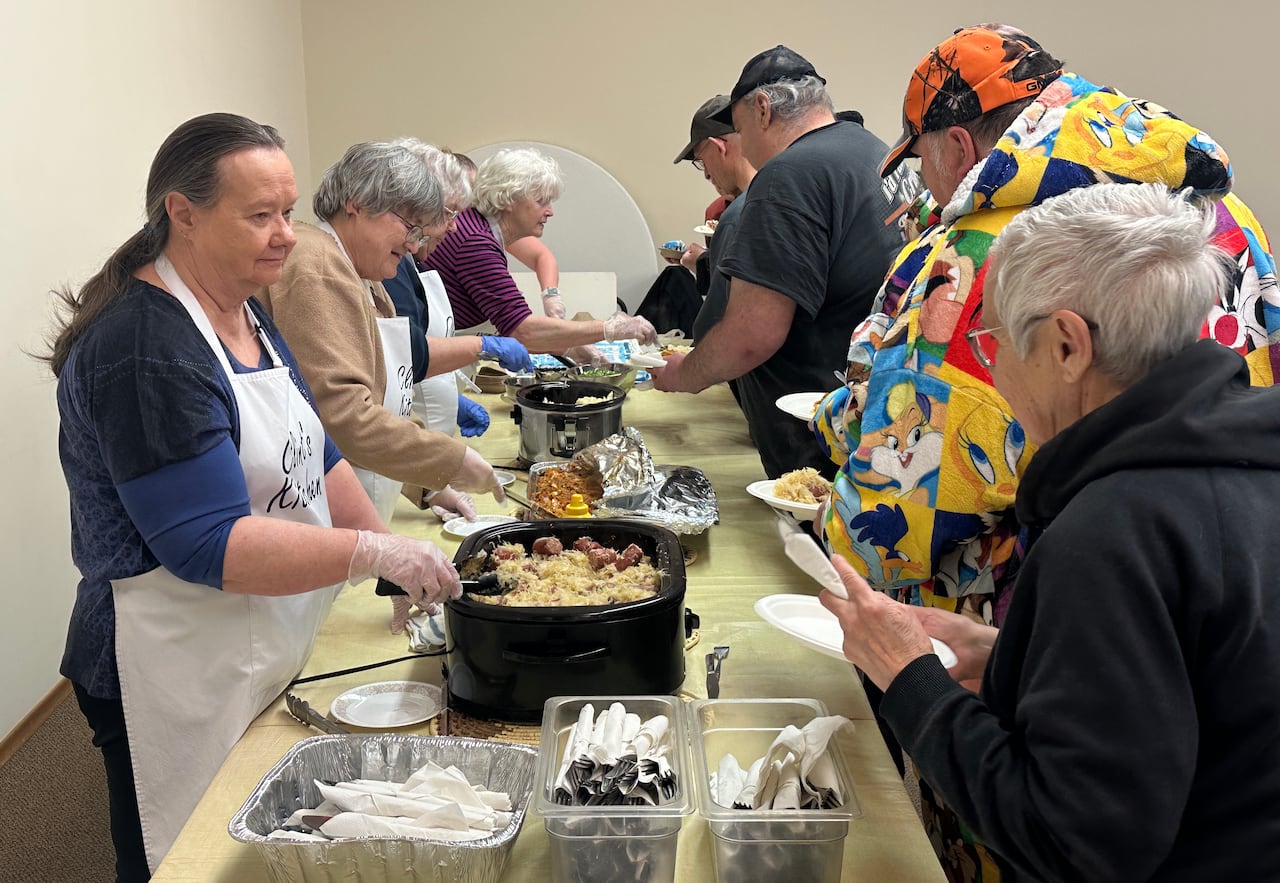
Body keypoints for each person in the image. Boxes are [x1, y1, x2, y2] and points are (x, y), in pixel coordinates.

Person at [810, 25, 1278, 877]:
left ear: (1066, 346)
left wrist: (909, 669)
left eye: (993, 349)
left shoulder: (982, 250)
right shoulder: (1225, 215)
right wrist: (1014, 654)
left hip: (1036, 731)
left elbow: (1075, 834)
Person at [46, 113, 462, 880]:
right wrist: (372, 549)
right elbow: (206, 543)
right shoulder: (146, 348)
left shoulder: (245, 307)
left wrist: (387, 560)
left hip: (253, 635)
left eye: (288, 211)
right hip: (164, 661)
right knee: (188, 858)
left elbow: (316, 449)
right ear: (184, 213)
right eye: (259, 215)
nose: (283, 234)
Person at [654, 45, 920, 479]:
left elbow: (752, 334)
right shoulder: (872, 149)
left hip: (820, 438)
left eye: (739, 128)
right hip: (888, 414)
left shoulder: (788, 174)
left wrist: (685, 373)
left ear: (762, 110)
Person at [258, 140, 506, 532]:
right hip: (318, 504)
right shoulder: (318, 266)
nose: (413, 245)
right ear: (357, 204)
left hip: (364, 484)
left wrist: (427, 486)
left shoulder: (362, 273)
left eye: (421, 233)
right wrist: (448, 461)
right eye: (410, 227)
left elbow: (383, 401)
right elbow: (342, 414)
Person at [423, 147, 657, 364]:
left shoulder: (477, 229)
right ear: (508, 200)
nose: (550, 212)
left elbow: (518, 324)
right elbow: (522, 330)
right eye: (541, 201)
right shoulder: (476, 242)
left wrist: (565, 346)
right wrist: (610, 329)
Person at [381, 140, 531, 443]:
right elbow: (405, 354)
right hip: (403, 436)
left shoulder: (409, 259)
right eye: (449, 214)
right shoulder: (388, 266)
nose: (453, 227)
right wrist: (485, 346)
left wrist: (449, 400)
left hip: (423, 420)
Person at [671, 94, 757, 342]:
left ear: (719, 147)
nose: (707, 174)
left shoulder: (739, 214)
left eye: (701, 161)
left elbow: (723, 315)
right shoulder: (782, 193)